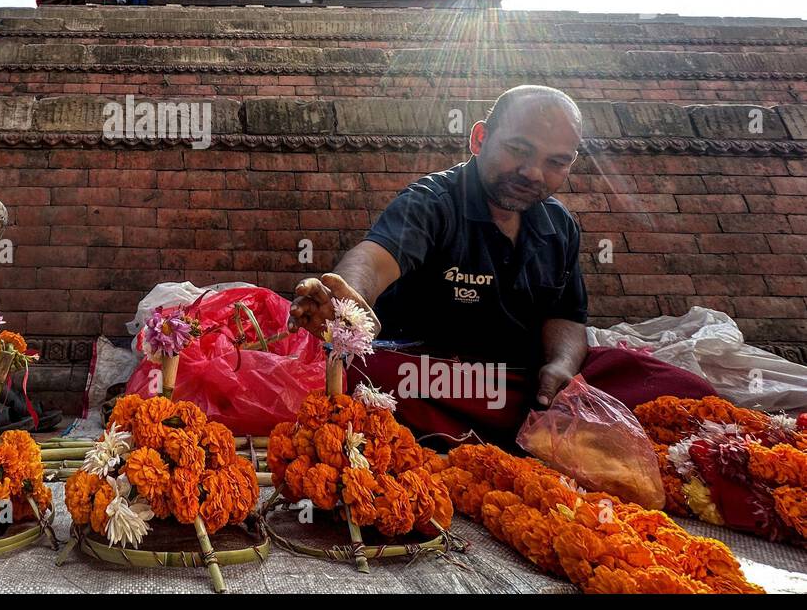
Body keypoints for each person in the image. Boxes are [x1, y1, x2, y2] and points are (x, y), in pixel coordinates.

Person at [287, 85, 715, 445]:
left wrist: (562, 367)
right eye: (518, 150)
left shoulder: (559, 225)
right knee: (367, 374)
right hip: (437, 374)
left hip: (523, 378)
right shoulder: (431, 203)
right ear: (479, 139)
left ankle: (525, 420)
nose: (532, 173)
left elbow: (566, 316)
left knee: (681, 390)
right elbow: (374, 260)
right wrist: (348, 298)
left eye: (555, 162)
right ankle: (519, 430)